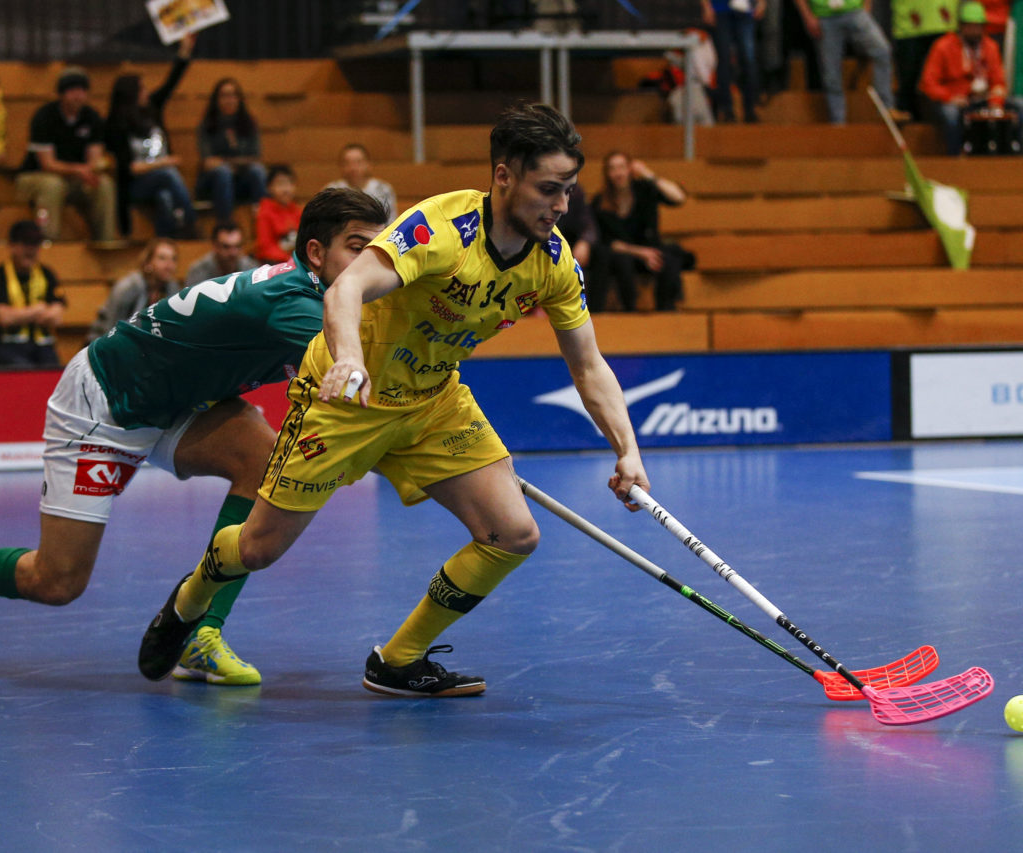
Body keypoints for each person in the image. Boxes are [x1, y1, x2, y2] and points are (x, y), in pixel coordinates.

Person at [136, 102, 652, 698]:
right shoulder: (440, 228)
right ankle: (191, 596)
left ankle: (398, 661)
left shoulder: (554, 262)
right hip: (347, 399)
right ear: (504, 176)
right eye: (549, 189)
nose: (562, 205)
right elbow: (348, 287)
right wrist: (350, 358)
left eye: (568, 190)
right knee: (256, 549)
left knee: (512, 533)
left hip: (433, 401)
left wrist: (627, 450)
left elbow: (588, 365)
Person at [0, 189, 390, 688]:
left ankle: (200, 634)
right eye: (357, 247)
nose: (371, 262)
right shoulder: (294, 302)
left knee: (263, 460)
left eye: (378, 248)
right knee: (56, 582)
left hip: (183, 401)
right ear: (317, 253)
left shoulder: (318, 292)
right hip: (107, 401)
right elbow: (376, 380)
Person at [14, 66, 118, 244]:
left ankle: (105, 241)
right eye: (72, 90)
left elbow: (95, 158)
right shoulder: (45, 116)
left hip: (72, 180)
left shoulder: (92, 117)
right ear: (61, 93)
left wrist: (92, 171)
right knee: (53, 185)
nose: (78, 95)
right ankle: (48, 241)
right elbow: (47, 163)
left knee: (104, 184)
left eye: (82, 90)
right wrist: (79, 170)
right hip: (36, 176)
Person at [106, 34, 196, 238]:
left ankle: (168, 239)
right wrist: (165, 162)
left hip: (160, 182)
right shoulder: (116, 126)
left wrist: (185, 51)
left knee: (164, 197)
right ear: (132, 94)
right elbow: (131, 168)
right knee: (169, 174)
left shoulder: (152, 109)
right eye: (142, 89)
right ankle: (191, 222)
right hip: (136, 185)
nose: (147, 92)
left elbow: (170, 83)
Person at [920, 1, 1023, 154]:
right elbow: (928, 83)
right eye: (970, 26)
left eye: (978, 27)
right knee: (950, 113)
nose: (975, 31)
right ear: (961, 26)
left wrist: (996, 99)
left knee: (1020, 105)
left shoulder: (990, 46)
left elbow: (998, 80)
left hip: (983, 99)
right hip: (954, 100)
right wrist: (949, 97)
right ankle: (955, 156)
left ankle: (1016, 152)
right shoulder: (943, 46)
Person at [590, 151, 691, 312]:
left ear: (630, 169)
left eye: (622, 167)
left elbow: (678, 198)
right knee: (620, 261)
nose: (618, 173)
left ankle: (666, 311)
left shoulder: (644, 190)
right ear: (607, 174)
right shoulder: (600, 202)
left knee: (669, 258)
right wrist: (641, 252)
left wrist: (648, 174)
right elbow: (608, 243)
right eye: (613, 169)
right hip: (624, 256)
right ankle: (630, 312)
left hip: (651, 251)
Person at [791, 0, 907, 124]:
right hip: (824, 16)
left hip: (854, 11)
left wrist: (866, 7)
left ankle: (886, 108)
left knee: (882, 51)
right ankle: (838, 123)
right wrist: (807, 16)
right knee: (831, 73)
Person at [0, 220, 66, 366]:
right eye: (25, 244)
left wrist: (18, 315)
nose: (31, 250)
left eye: (35, 244)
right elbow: (2, 318)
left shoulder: (47, 274)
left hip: (43, 346)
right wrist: (37, 310)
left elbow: (56, 316)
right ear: (12, 246)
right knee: (20, 366)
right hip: (7, 347)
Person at [196, 77, 267, 227]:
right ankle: (225, 226)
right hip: (214, 183)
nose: (230, 100)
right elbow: (208, 163)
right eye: (225, 95)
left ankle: (263, 223)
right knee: (223, 173)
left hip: (242, 180)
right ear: (216, 100)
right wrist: (237, 163)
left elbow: (255, 158)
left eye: (234, 95)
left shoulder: (249, 123)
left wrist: (225, 162)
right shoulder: (207, 125)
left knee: (258, 171)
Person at [88, 238, 181, 341]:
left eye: (174, 259)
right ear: (148, 262)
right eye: (162, 258)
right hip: (102, 344)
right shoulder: (128, 287)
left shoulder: (172, 288)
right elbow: (110, 328)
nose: (169, 265)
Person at [701, 0, 766, 123]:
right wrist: (706, 7)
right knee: (724, 59)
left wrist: (762, 2)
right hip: (720, 9)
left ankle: (750, 109)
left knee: (748, 60)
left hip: (745, 10)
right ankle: (726, 110)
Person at [891, 0, 958, 119]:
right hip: (909, 22)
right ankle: (909, 115)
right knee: (909, 78)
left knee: (949, 78)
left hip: (943, 19)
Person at [325, 143, 396, 221]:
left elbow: (390, 222)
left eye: (358, 162)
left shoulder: (383, 189)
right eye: (347, 163)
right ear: (340, 166)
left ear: (369, 164)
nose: (353, 168)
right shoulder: (331, 190)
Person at [253, 165, 302, 264]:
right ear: (269, 188)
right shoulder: (264, 212)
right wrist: (291, 261)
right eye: (280, 184)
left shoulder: (299, 211)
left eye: (289, 184)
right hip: (273, 265)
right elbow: (265, 248)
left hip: (295, 263)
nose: (286, 190)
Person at [185, 222, 258, 286]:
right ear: (214, 246)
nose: (233, 253)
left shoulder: (251, 269)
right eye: (226, 247)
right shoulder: (198, 271)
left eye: (238, 246)